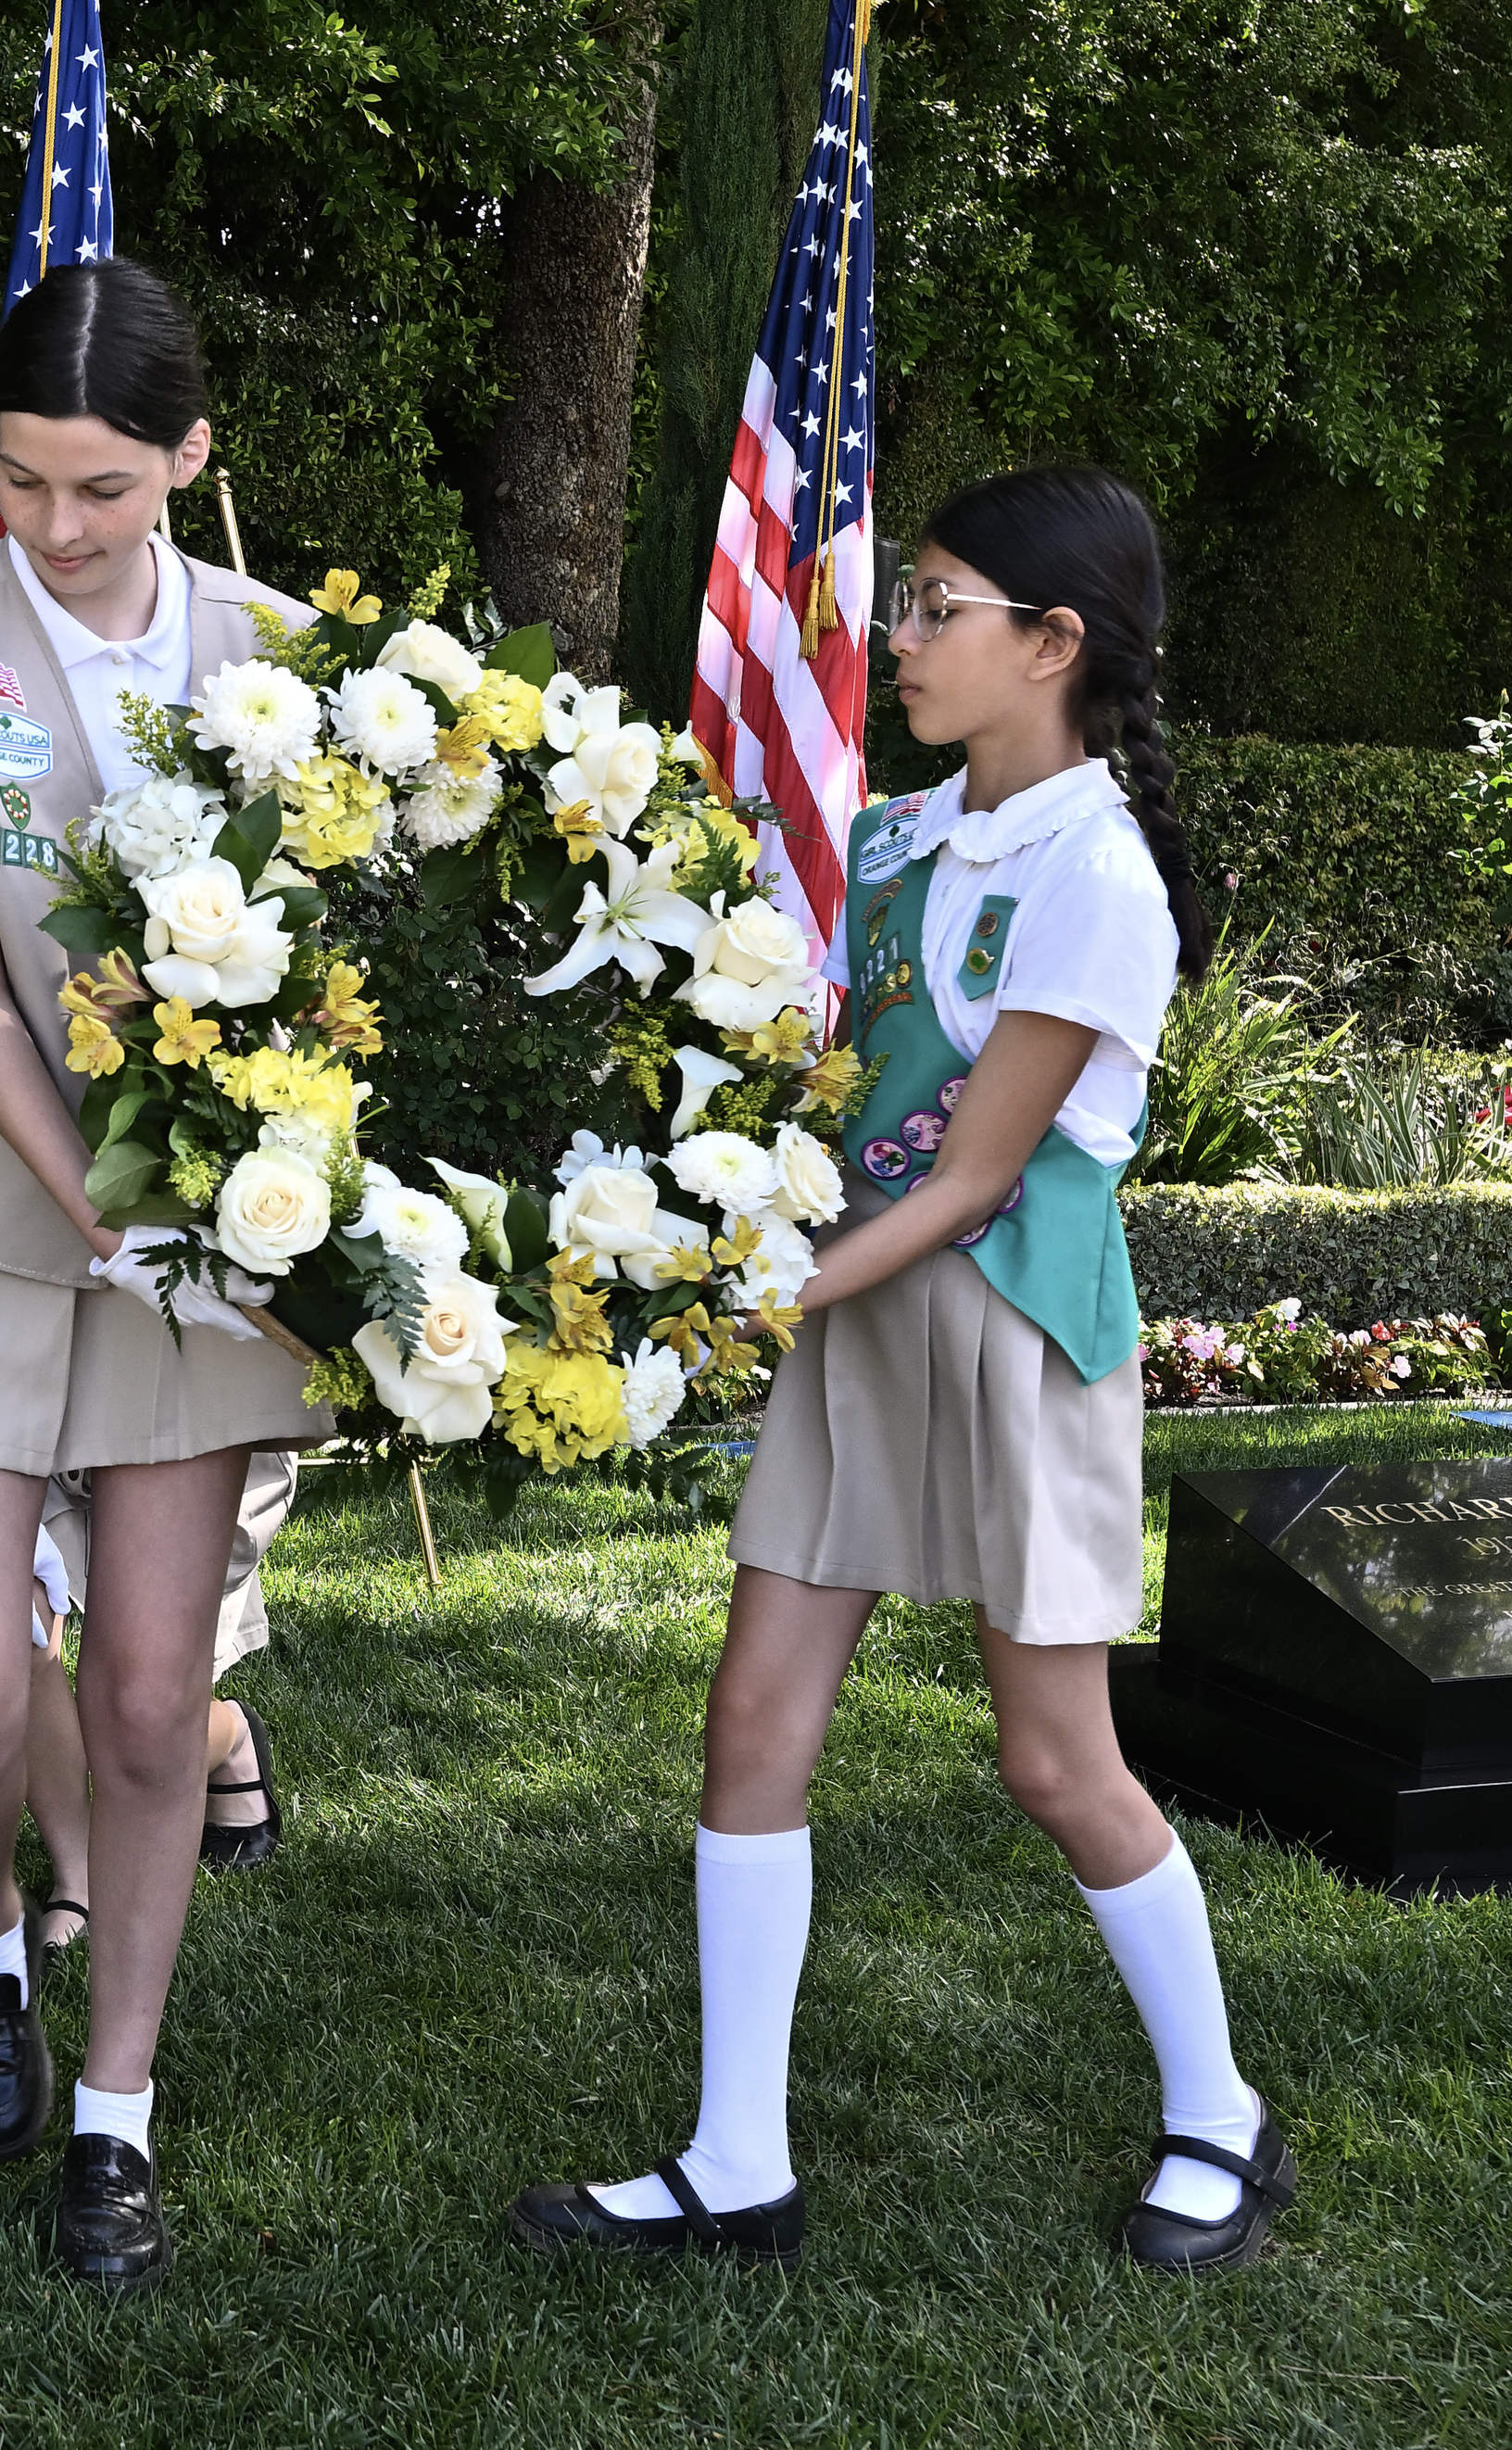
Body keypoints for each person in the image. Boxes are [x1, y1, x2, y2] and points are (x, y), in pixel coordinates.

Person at [510, 466, 1294, 2272]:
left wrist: (732, 1304)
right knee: (749, 1722)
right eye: (909, 600)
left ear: (1050, 642)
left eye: (936, 605)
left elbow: (970, 1177)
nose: (900, 638)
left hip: (1011, 1327)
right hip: (855, 1305)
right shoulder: (891, 837)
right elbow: (821, 1095)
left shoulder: (1101, 875)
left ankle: (1216, 2109)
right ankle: (733, 2158)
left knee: (1049, 1756)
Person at [0, 258, 328, 2289]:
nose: (55, 525)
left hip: (202, 1260)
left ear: (190, 454)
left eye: (99, 484)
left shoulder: (291, 662)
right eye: (18, 480)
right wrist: (108, 1211)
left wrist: (252, 1221)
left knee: (137, 1695)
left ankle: (116, 2111)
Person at [24, 1455, 296, 1960]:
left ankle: (230, 1732)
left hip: (174, 1415)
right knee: (18, 1620)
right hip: (31, 1412)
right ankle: (78, 1872)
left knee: (137, 1713)